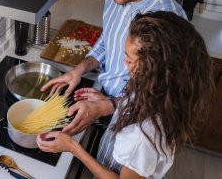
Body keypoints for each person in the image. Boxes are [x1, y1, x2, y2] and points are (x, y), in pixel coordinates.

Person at [41, 0, 187, 135]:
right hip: (102, 96)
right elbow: (107, 40)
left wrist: (108, 106)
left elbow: (161, 99)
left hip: (133, 121)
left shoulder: (171, 23)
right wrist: (79, 69)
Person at [37, 11, 215, 179]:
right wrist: (111, 103)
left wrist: (73, 148)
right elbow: (136, 101)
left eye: (129, 59)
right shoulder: (163, 90)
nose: (124, 62)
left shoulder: (143, 136)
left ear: (154, 69)